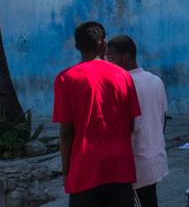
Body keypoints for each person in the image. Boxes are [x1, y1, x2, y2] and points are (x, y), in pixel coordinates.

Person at [53, 21, 141, 207]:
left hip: (84, 169)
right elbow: (131, 124)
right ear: (104, 44)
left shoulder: (65, 79)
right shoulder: (124, 76)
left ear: (77, 46)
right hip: (120, 166)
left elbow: (67, 133)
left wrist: (66, 170)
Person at [107, 35, 169, 207]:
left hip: (134, 160)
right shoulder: (155, 80)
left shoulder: (121, 83)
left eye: (111, 57)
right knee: (150, 200)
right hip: (154, 157)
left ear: (126, 57)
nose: (108, 62)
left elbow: (125, 127)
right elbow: (162, 119)